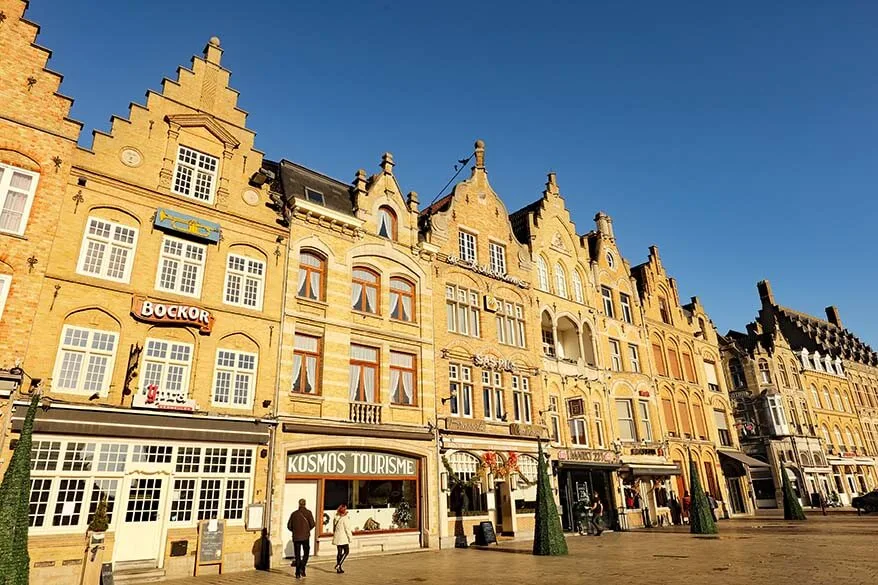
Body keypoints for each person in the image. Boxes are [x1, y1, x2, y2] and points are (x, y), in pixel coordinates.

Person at [288, 499, 315, 579]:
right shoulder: (308, 513)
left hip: (296, 537)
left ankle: (297, 573)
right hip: (305, 537)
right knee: (306, 552)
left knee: (297, 555)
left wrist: (295, 531)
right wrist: (307, 530)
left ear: (299, 504)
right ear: (305, 504)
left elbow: (289, 526)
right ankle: (302, 567)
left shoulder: (294, 514)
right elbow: (313, 524)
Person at [332, 504, 354, 574]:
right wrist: (350, 538)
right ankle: (338, 565)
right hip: (343, 538)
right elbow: (347, 529)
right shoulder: (345, 518)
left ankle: (339, 569)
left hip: (337, 537)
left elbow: (334, 528)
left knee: (339, 552)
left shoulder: (336, 517)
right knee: (346, 551)